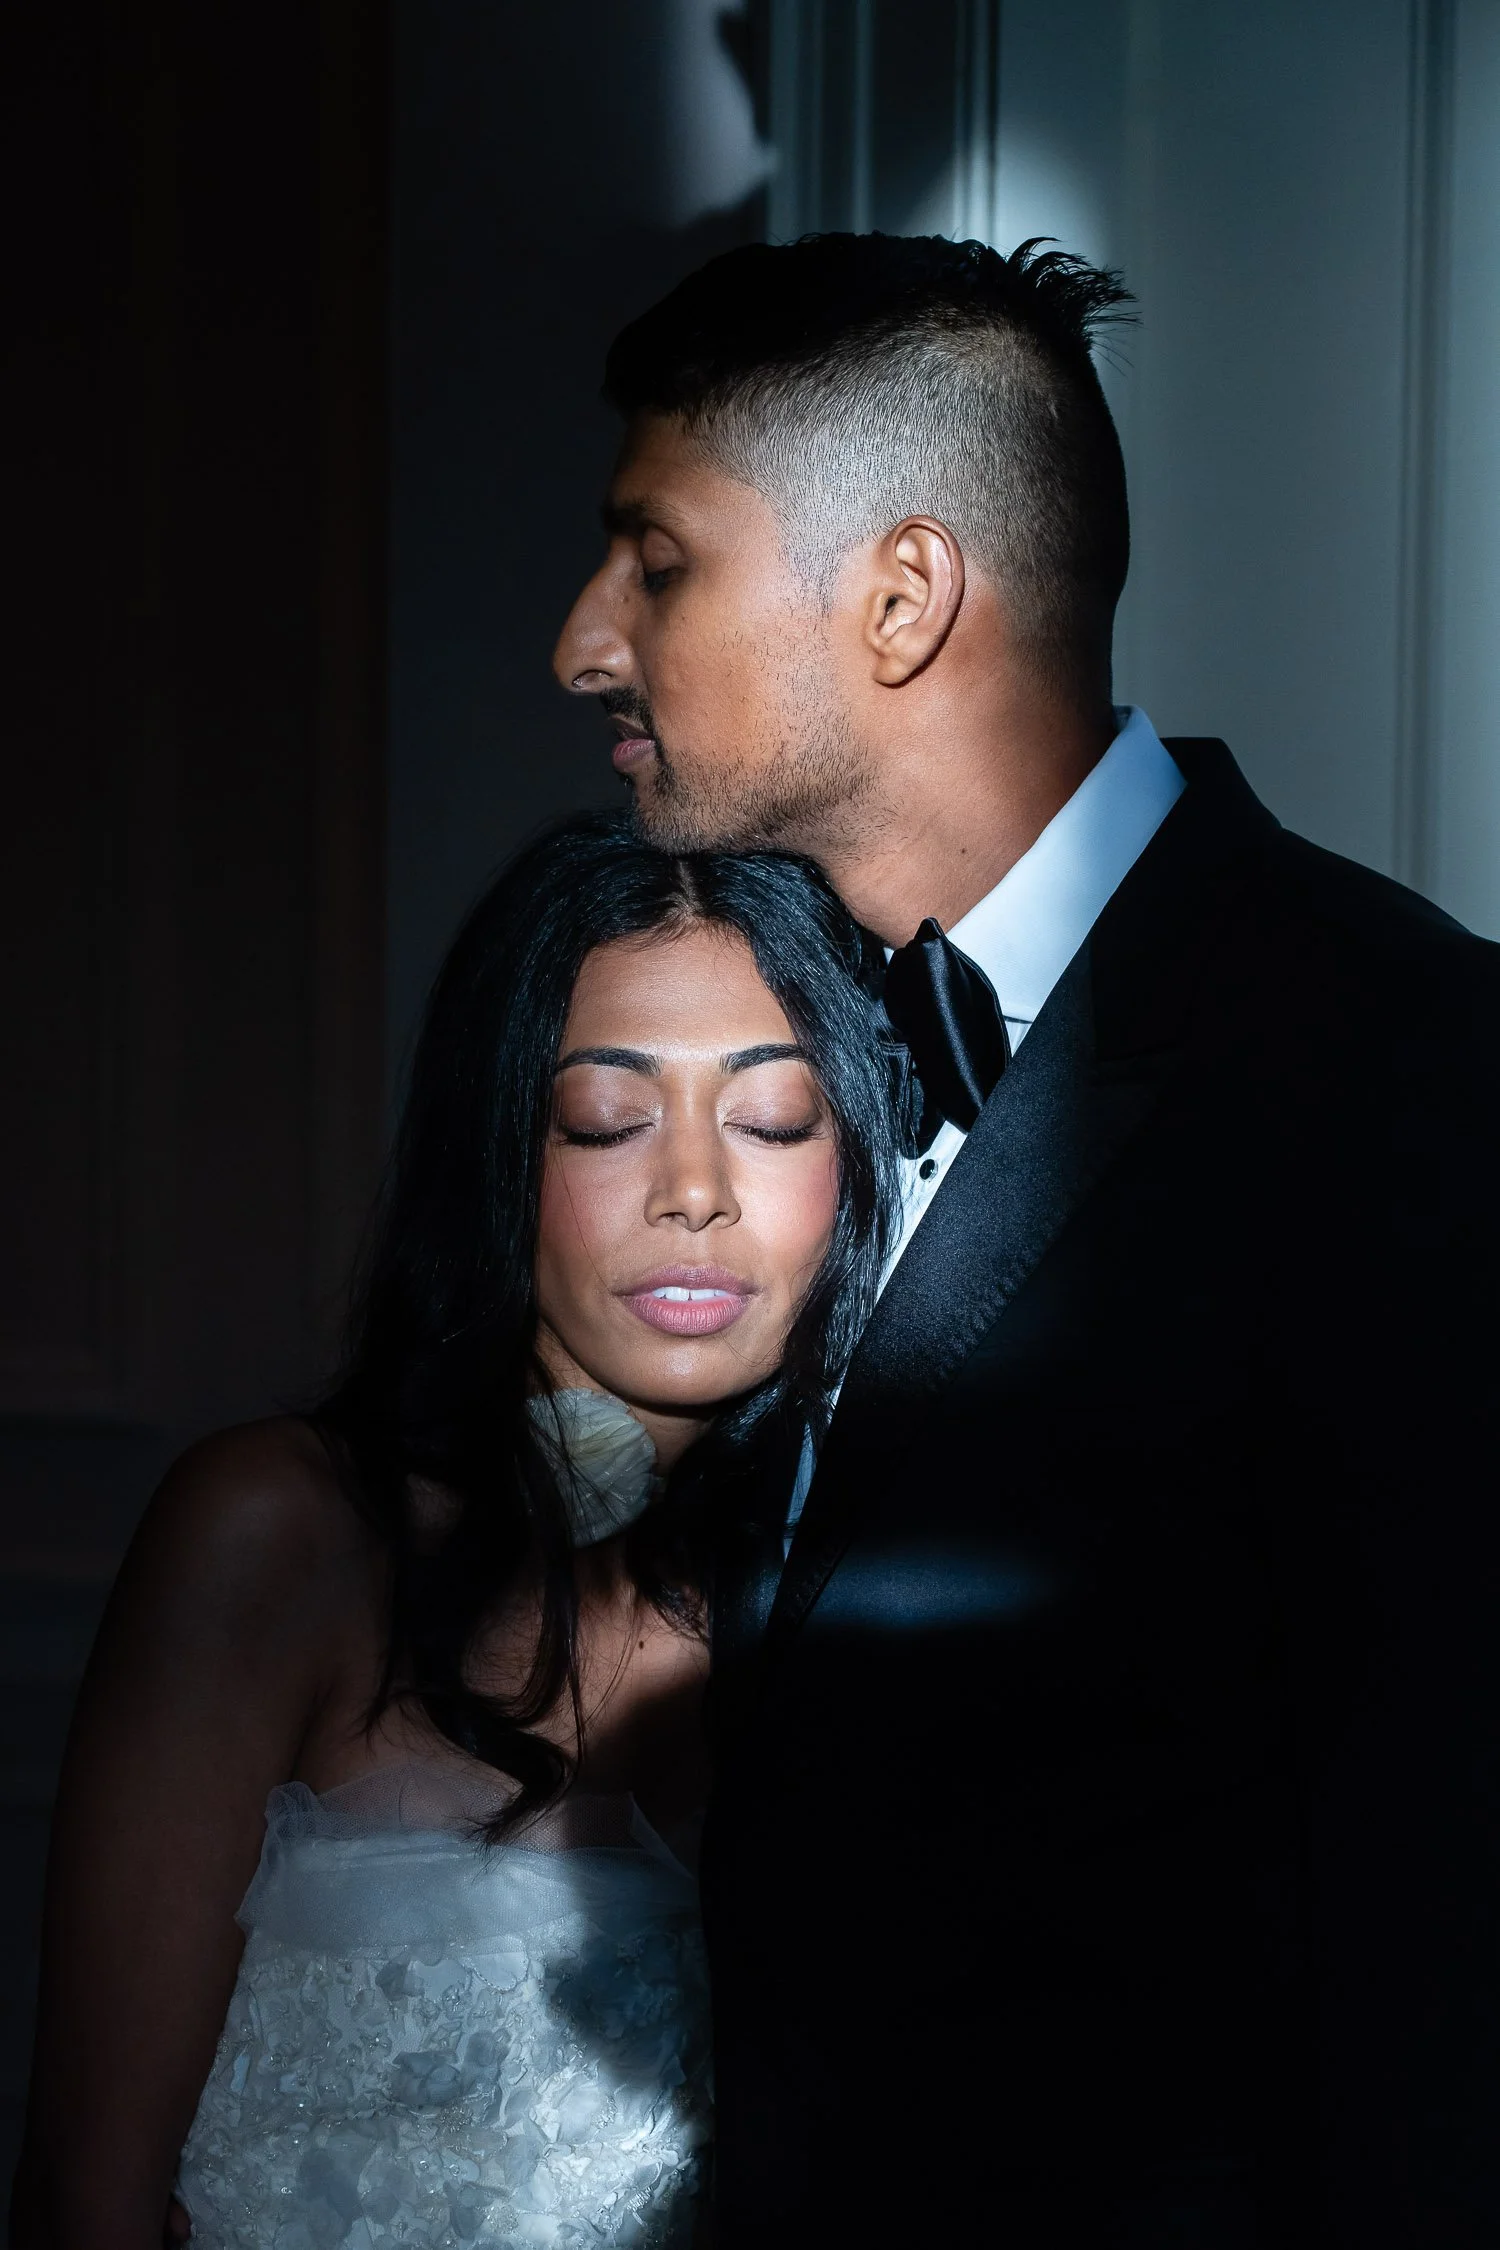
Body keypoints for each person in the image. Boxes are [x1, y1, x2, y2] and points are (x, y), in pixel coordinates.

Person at [553, 232, 1500, 2246]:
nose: (583, 644)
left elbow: (1441, 1917)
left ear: (901, 598)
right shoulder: (770, 1082)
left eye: (656, 560)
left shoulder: (1404, 1065)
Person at [12, 813, 898, 2250]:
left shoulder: (865, 1595)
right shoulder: (285, 1536)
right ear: (501, 1151)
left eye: (773, 1117)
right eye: (609, 1119)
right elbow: (80, 2198)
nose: (694, 1189)